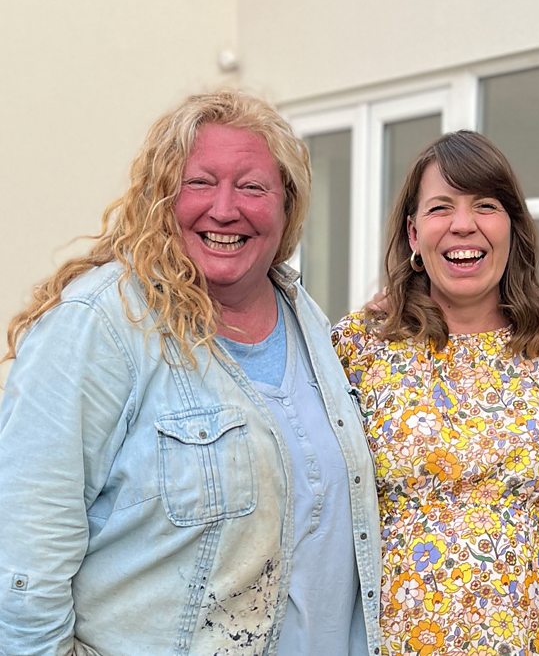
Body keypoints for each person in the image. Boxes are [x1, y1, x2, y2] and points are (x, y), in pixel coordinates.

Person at [0, 91, 382, 655]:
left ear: (288, 205)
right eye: (199, 183)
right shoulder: (99, 325)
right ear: (160, 196)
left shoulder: (306, 317)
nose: (225, 209)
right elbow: (22, 572)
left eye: (252, 187)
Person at [332, 130, 539, 654]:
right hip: (397, 638)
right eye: (440, 207)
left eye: (485, 205)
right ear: (413, 233)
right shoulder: (359, 346)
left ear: (512, 227)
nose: (462, 224)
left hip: (528, 635)